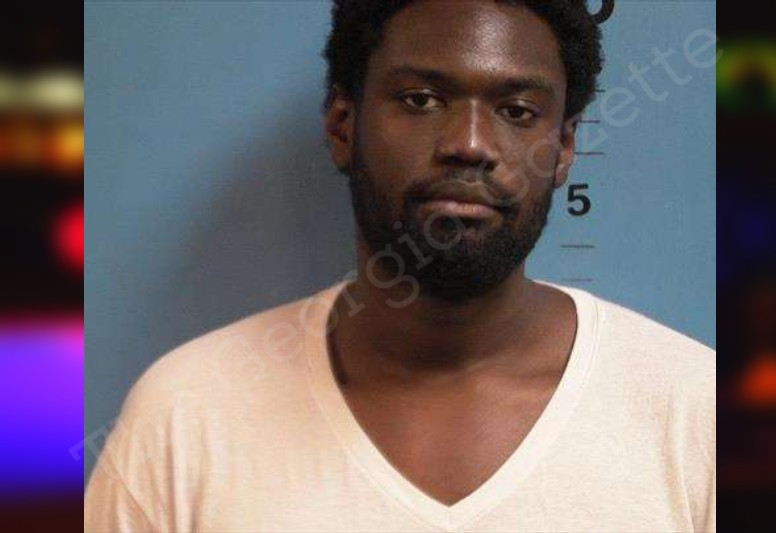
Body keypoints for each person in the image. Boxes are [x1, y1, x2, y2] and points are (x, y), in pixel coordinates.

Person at [84, 1, 716, 531]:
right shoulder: (187, 416)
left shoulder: (696, 415)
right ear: (342, 125)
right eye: (421, 99)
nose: (470, 144)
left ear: (565, 147)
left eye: (517, 111)